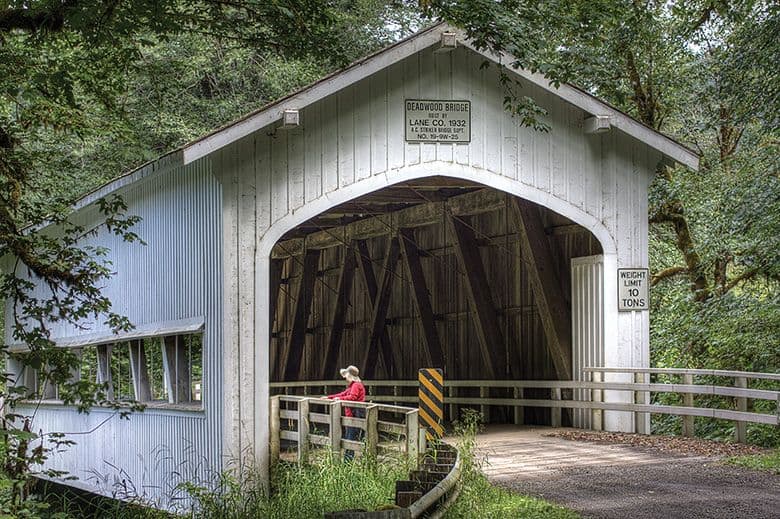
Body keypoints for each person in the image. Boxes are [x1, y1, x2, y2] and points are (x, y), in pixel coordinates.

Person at [326, 365, 365, 461]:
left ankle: (348, 461)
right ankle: (350, 460)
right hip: (352, 415)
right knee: (351, 437)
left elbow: (353, 397)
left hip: (354, 415)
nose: (345, 377)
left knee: (350, 438)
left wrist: (339, 399)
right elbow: (343, 394)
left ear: (350, 375)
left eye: (347, 375)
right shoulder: (353, 385)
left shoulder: (356, 385)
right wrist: (329, 397)